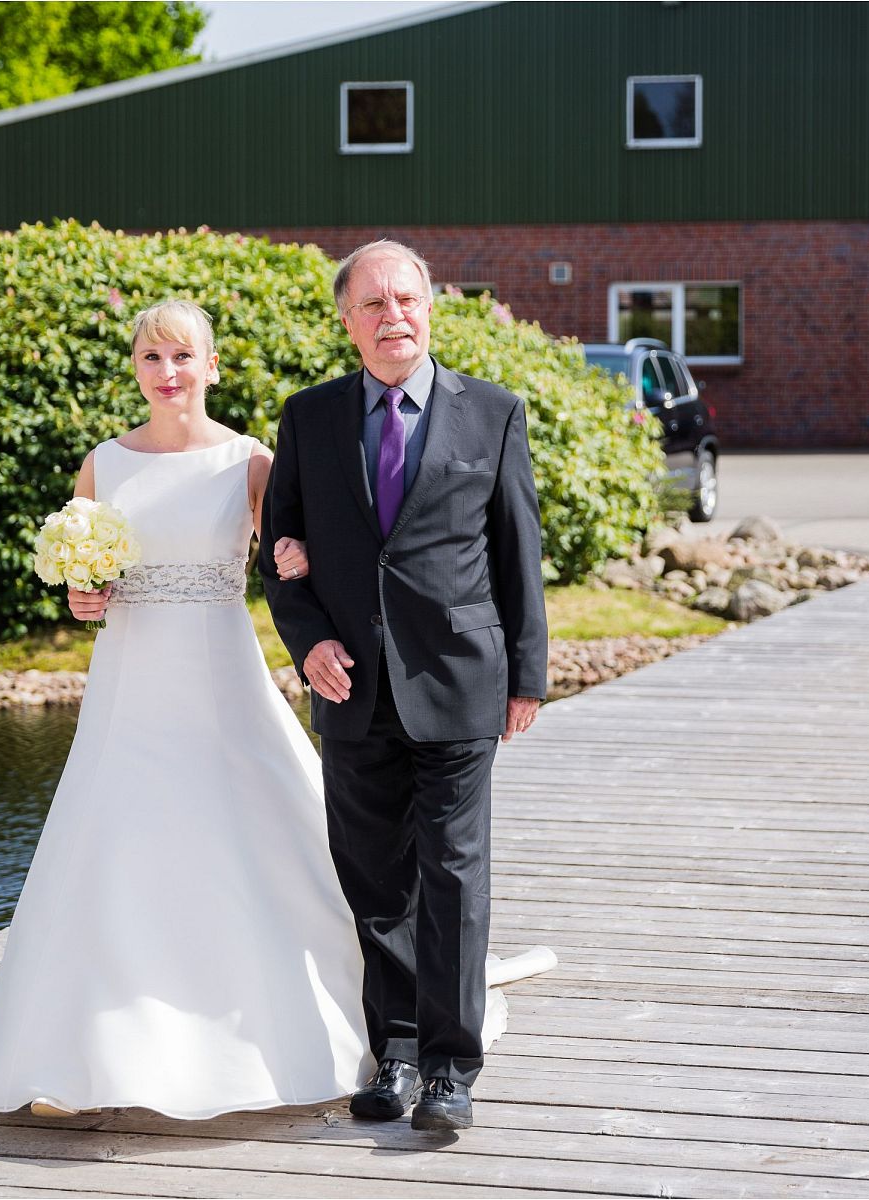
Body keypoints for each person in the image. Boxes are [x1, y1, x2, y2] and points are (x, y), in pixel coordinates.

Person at [0, 299, 377, 1118]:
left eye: (184, 357)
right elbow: (89, 578)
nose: (168, 373)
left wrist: (295, 554)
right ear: (136, 368)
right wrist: (83, 592)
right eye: (152, 358)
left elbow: (301, 559)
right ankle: (86, 1052)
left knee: (249, 837)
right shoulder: (102, 465)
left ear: (212, 367)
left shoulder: (250, 463)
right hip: (130, 682)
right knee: (114, 845)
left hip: (219, 678)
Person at [258, 241, 549, 1132]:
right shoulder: (307, 420)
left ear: (431, 308)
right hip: (352, 688)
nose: (395, 317)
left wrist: (527, 673)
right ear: (347, 320)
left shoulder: (492, 413)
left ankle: (454, 1066)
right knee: (375, 878)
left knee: (454, 876)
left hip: (460, 678)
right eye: (374, 304)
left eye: (408, 300)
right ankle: (396, 1051)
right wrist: (306, 643)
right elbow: (283, 556)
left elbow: (518, 553)